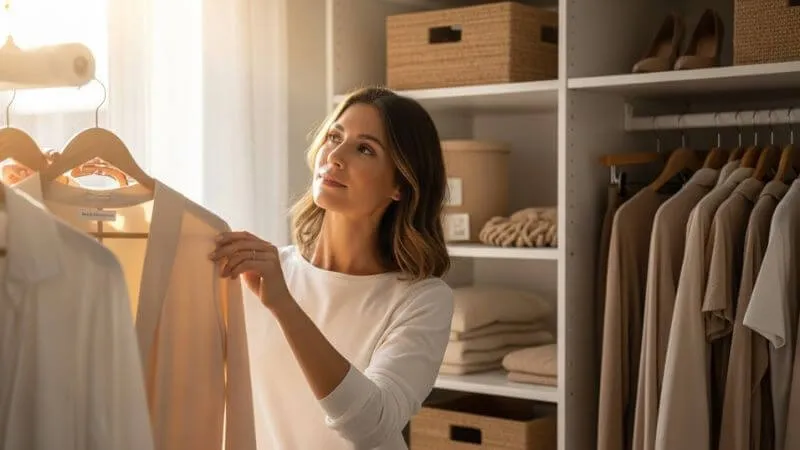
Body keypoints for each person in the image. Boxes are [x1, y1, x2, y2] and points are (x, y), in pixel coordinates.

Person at [210, 86, 455, 449]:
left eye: (365, 149)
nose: (335, 156)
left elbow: (373, 426)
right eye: (334, 137)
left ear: (400, 185)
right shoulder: (258, 273)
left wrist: (284, 306)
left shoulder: (422, 299)